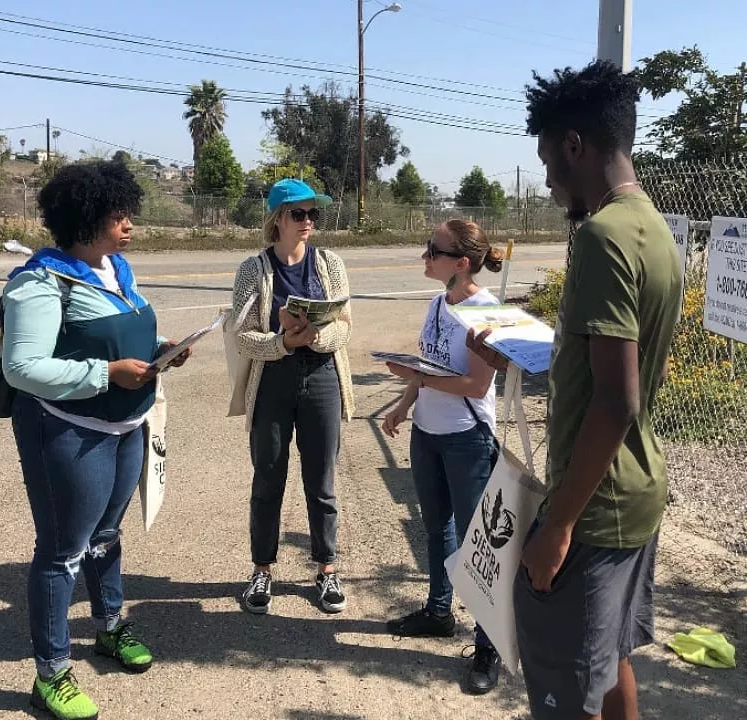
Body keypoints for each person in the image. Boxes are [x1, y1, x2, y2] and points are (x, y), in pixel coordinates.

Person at [467, 61, 682, 720]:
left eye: (548, 163)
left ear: (574, 145)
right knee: (611, 663)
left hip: (594, 508)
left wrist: (557, 526)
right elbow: (628, 373)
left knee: (568, 695)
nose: (550, 181)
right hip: (636, 491)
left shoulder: (602, 237)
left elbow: (616, 400)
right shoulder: (655, 230)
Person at [1, 160, 191, 720]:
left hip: (126, 427)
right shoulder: (41, 281)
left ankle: (109, 625)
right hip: (67, 432)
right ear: (84, 220)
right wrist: (106, 375)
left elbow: (117, 330)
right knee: (62, 552)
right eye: (117, 214)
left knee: (106, 535)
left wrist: (161, 348)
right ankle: (51, 674)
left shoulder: (115, 268)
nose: (129, 222)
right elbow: (22, 367)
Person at [382, 219, 504, 695]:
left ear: (461, 263)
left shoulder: (486, 311)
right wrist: (403, 403)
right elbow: (428, 366)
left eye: (434, 250)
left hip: (466, 439)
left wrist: (414, 378)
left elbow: (475, 384)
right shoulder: (437, 303)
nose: (425, 256)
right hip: (427, 433)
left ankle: (488, 643)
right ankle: (439, 611)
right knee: (437, 528)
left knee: (480, 543)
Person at [231, 178, 354, 615]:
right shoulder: (253, 270)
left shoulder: (330, 263)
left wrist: (316, 337)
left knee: (321, 480)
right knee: (268, 477)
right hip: (273, 380)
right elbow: (242, 335)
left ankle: (327, 568)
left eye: (312, 213)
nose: (308, 221)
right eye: (298, 213)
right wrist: (283, 343)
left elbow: (345, 325)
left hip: (322, 376)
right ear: (277, 219)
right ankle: (262, 569)